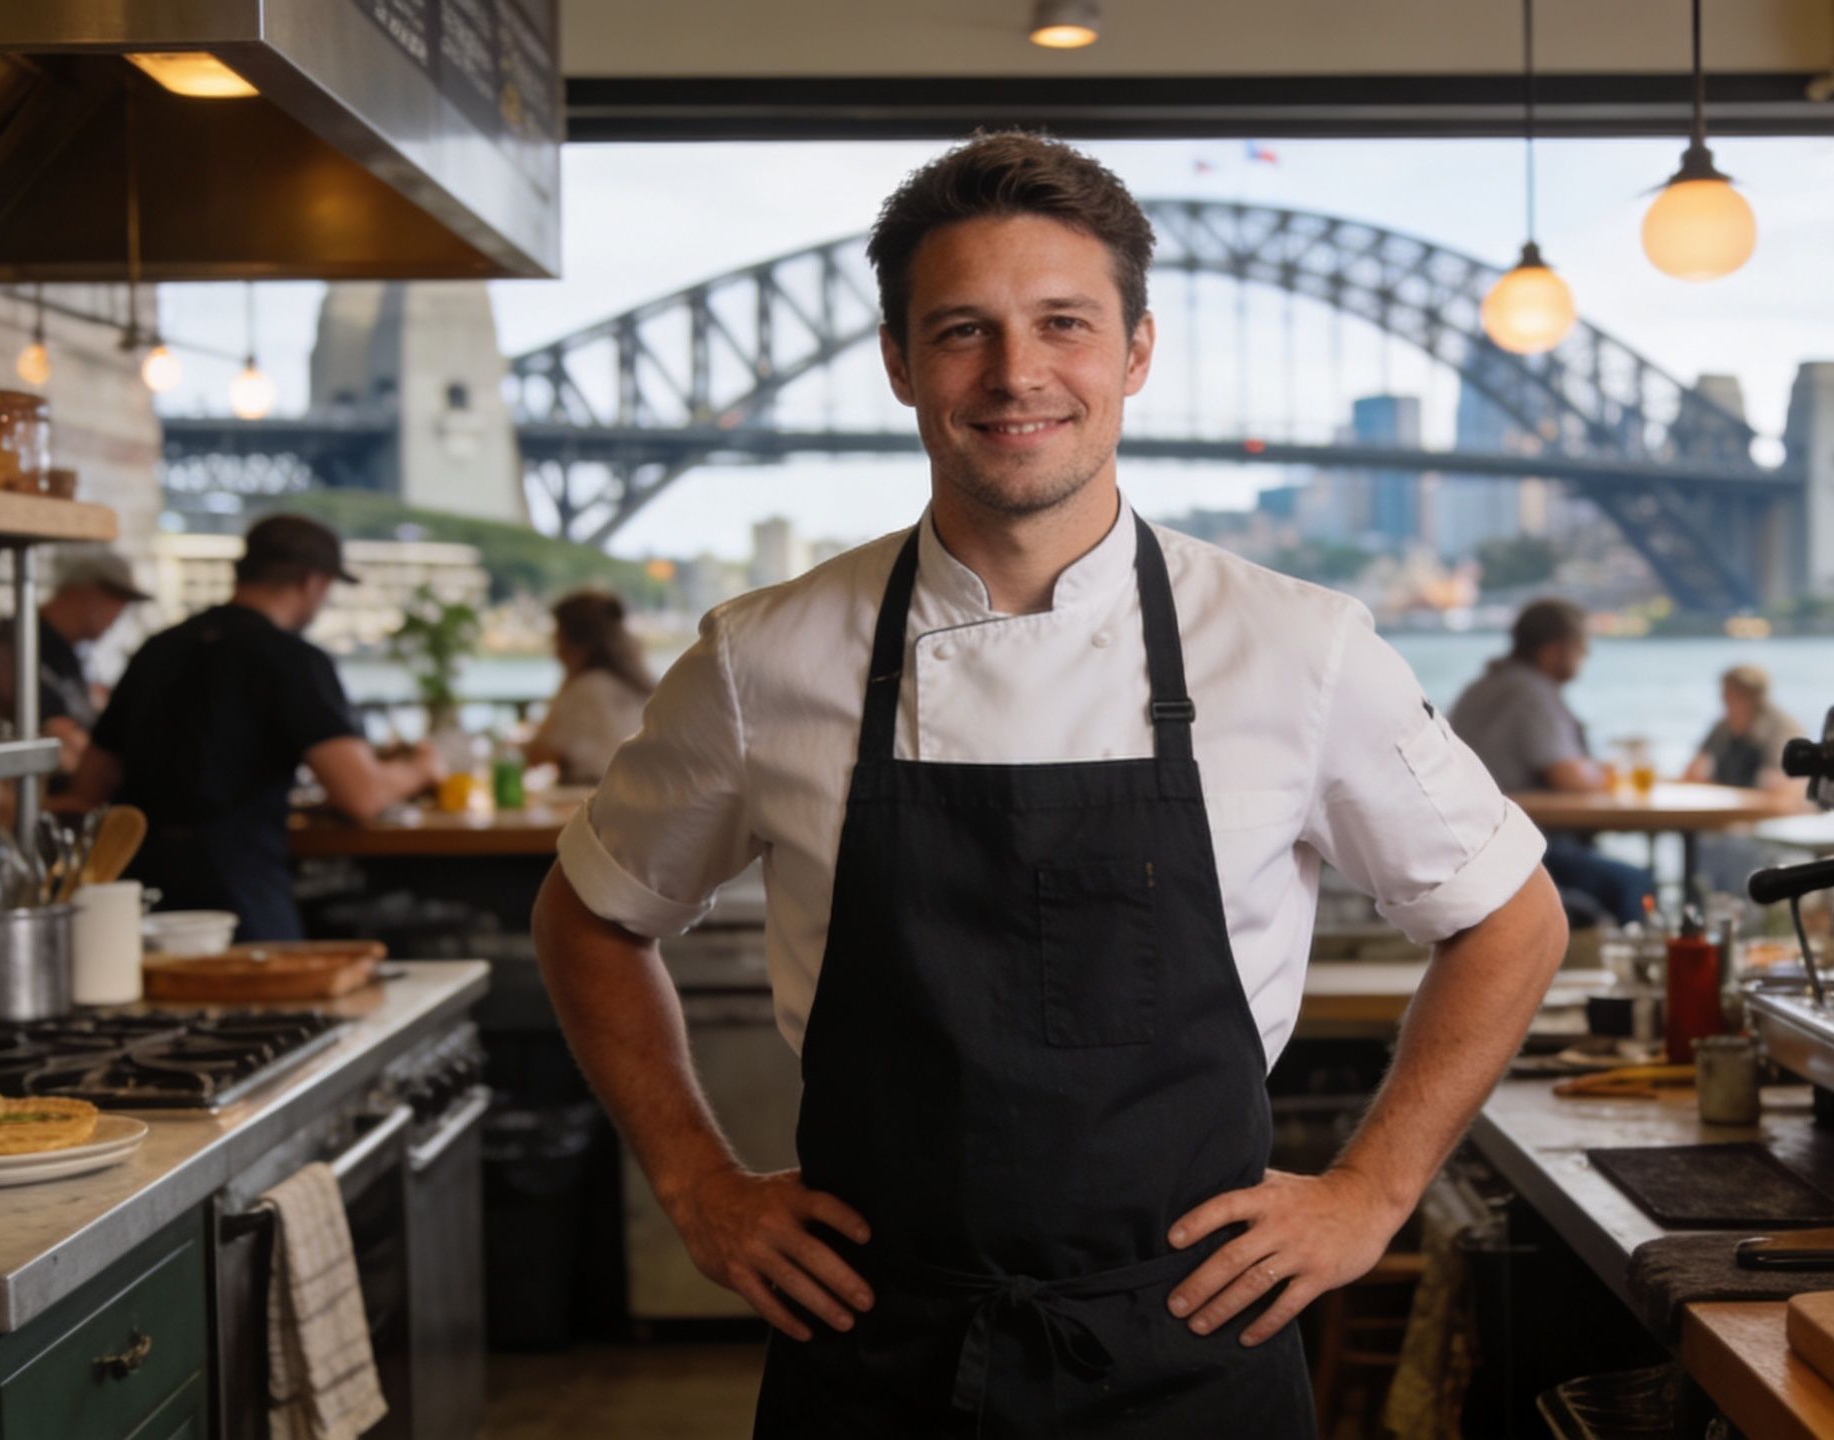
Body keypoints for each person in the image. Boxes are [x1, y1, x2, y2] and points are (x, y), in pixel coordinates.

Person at [531, 132, 1564, 1438]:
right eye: (962, 331)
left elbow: (1511, 917)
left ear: (1136, 353)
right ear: (901, 365)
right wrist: (696, 1181)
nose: (1017, 375)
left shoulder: (1298, 647)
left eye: (1064, 324)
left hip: (1194, 1352)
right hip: (871, 1351)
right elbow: (588, 917)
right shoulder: (763, 655)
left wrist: (1371, 1190)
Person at [71, 515, 439, 941]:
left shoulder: (158, 649)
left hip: (138, 885)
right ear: (312, 581)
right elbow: (362, 796)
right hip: (237, 887)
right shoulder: (294, 661)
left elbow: (89, 785)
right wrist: (423, 768)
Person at [1446, 597, 1654, 926]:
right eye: (1581, 646)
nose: (1587, 654)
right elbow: (1568, 777)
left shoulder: (1480, 688)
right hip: (1524, 849)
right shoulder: (1531, 692)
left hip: (1470, 850)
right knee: (1635, 884)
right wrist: (1603, 774)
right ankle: (1645, 972)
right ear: (1553, 650)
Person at [0, 549, 152, 773]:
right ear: (85, 593)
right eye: (118, 599)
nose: (120, 613)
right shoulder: (12, 641)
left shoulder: (66, 651)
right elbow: (62, 736)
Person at [525, 589, 654, 786]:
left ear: (572, 640)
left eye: (556, 635)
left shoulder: (585, 688)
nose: (553, 646)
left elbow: (537, 753)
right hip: (641, 798)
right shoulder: (641, 686)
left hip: (591, 802)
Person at [1685, 663, 1805, 795]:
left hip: (1766, 807)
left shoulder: (1783, 729)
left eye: (1733, 695)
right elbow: (1693, 768)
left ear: (1754, 697)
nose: (1726, 700)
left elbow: (1785, 784)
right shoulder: (1724, 726)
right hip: (1729, 802)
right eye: (1725, 694)